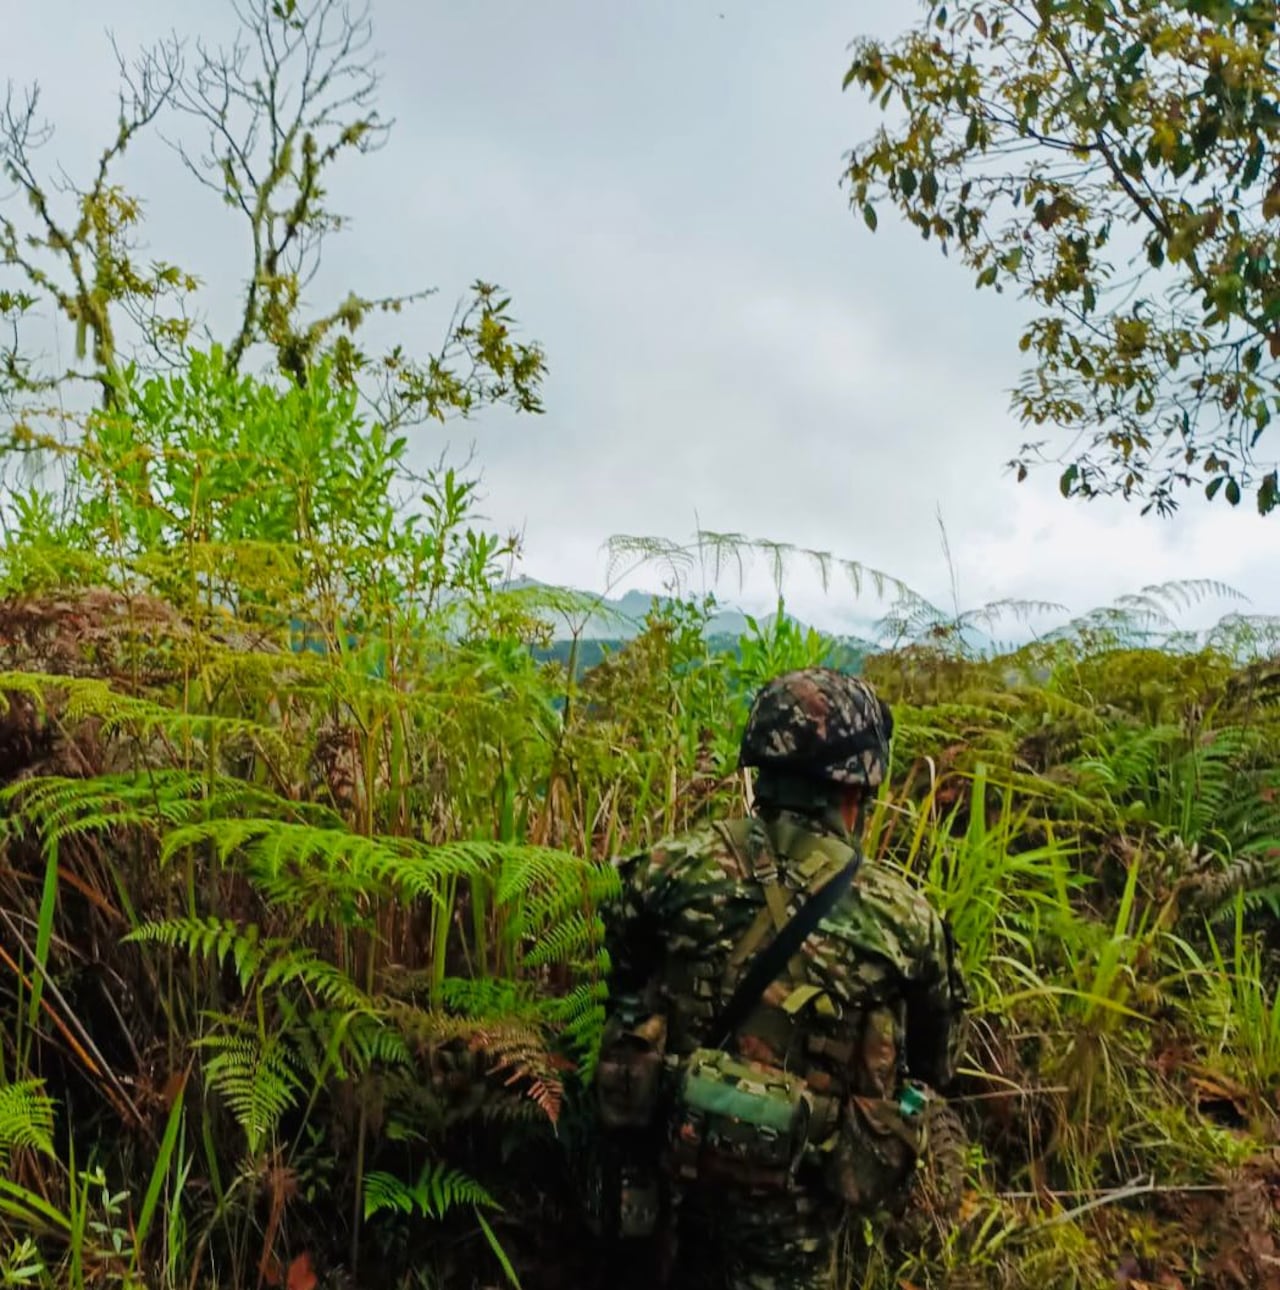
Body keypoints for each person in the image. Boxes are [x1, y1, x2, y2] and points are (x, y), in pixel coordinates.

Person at [591, 667, 968, 1290]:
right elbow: (936, 1064)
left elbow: (619, 970)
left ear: (759, 768)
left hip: (668, 1168)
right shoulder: (904, 917)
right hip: (796, 1211)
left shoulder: (669, 866)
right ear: (858, 788)